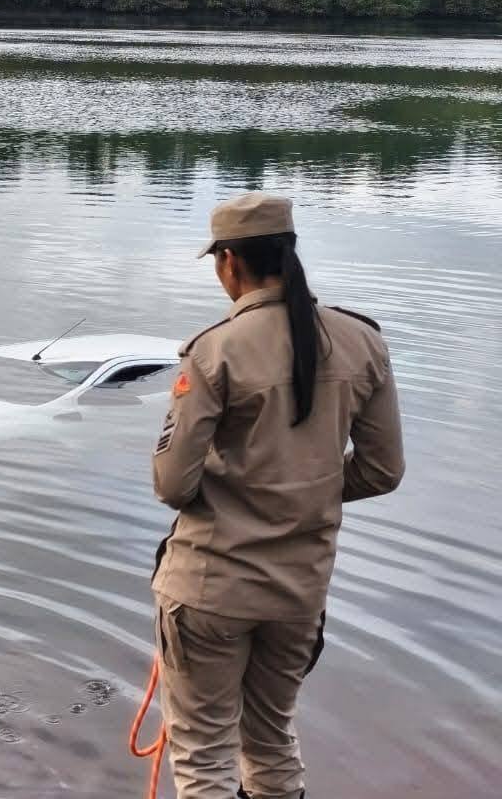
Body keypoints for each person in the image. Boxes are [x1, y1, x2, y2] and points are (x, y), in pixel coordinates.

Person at [151, 193, 405, 799]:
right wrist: (304, 491)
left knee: (204, 754)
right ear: (288, 255)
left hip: (210, 588)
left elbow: (172, 484)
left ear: (230, 262)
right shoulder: (361, 341)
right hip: (299, 592)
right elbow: (383, 469)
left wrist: (245, 493)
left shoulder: (213, 350)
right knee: (270, 742)